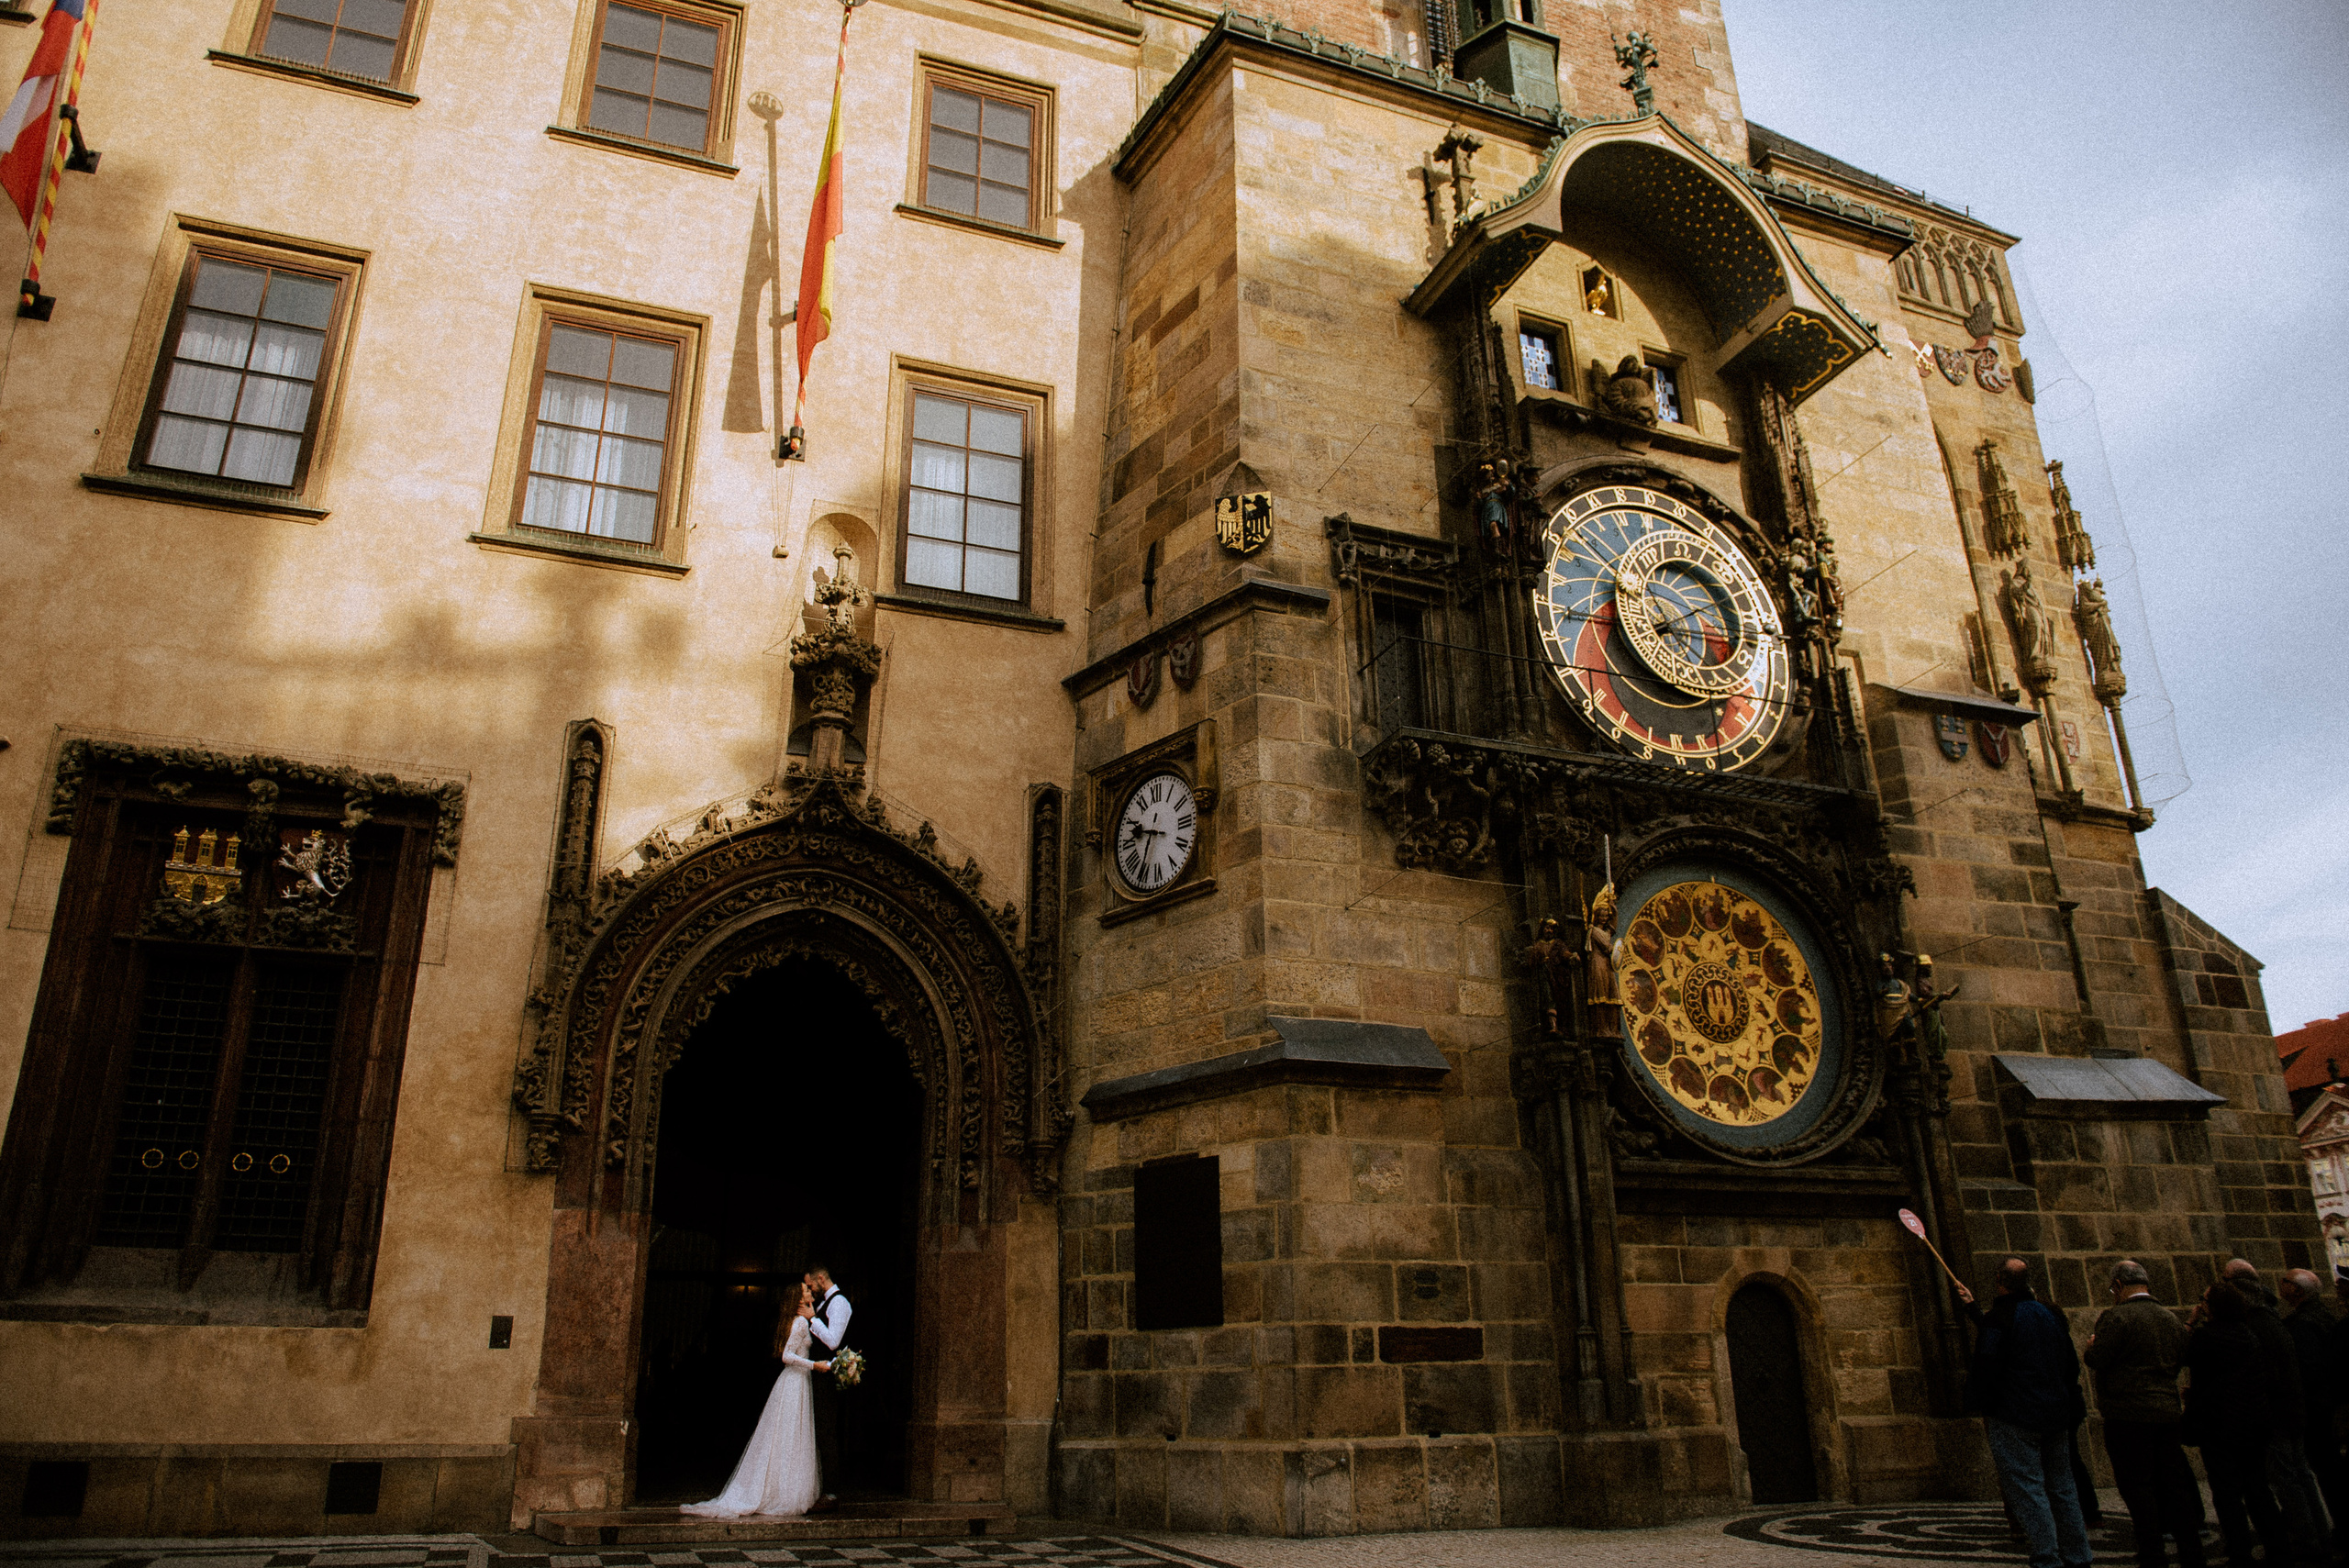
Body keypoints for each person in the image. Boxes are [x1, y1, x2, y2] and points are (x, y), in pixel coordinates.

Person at [1958, 1258, 2093, 1568]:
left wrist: (1984, 1403)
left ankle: (2047, 1556)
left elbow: (1987, 1365)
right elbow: (2070, 1364)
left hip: (2015, 1415)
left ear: (1999, 1281)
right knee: (2063, 1487)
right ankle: (2078, 1555)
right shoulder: (2049, 1314)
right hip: (2055, 1413)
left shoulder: (2000, 1318)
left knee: (2028, 1489)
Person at [2084, 1261, 2207, 1568]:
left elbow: (2098, 1359)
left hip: (2128, 1414)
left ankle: (2152, 1552)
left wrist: (2091, 1347)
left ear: (2118, 1286)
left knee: (2138, 1486)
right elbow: (2181, 1356)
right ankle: (2192, 1552)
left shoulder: (2117, 1317)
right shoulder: (2169, 1318)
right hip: (2166, 1411)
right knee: (2174, 1484)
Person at [682, 1282, 831, 1518]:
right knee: (790, 1434)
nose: (810, 1292)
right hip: (795, 1381)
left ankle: (786, 1489)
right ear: (798, 1298)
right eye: (806, 1290)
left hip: (797, 1381)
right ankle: (785, 1493)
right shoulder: (800, 1322)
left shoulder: (800, 1320)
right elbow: (787, 1356)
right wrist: (815, 1365)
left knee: (789, 1435)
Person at [2187, 1278, 2291, 1567]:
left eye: (2204, 1301)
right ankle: (2278, 1548)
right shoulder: (2248, 1334)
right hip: (2252, 1422)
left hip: (2219, 1426)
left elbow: (2184, 1356)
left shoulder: (2207, 1337)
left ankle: (2240, 1551)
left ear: (2213, 1307)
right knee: (2258, 1488)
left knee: (2227, 1493)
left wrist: (2190, 1323)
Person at [2229, 1261, 2329, 1561]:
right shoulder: (2275, 1318)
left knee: (2289, 1479)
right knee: (2300, 1476)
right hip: (2292, 1409)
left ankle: (2308, 1542)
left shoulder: (2262, 1324)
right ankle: (2318, 1536)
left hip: (2278, 1413)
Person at [2278, 1268, 2348, 1555]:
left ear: (2297, 1291)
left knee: (2329, 1473)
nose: (2281, 1285)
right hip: (2328, 1406)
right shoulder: (2324, 1316)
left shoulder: (2303, 1324)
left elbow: (2310, 1371)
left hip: (2319, 1411)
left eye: (2285, 1281)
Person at [805, 1264, 853, 1512]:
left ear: (821, 1279)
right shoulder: (824, 1303)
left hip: (828, 1378)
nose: (810, 1290)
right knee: (817, 1431)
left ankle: (831, 1492)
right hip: (816, 1374)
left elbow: (833, 1341)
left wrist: (812, 1319)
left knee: (827, 1432)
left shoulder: (839, 1303)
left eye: (811, 1285)